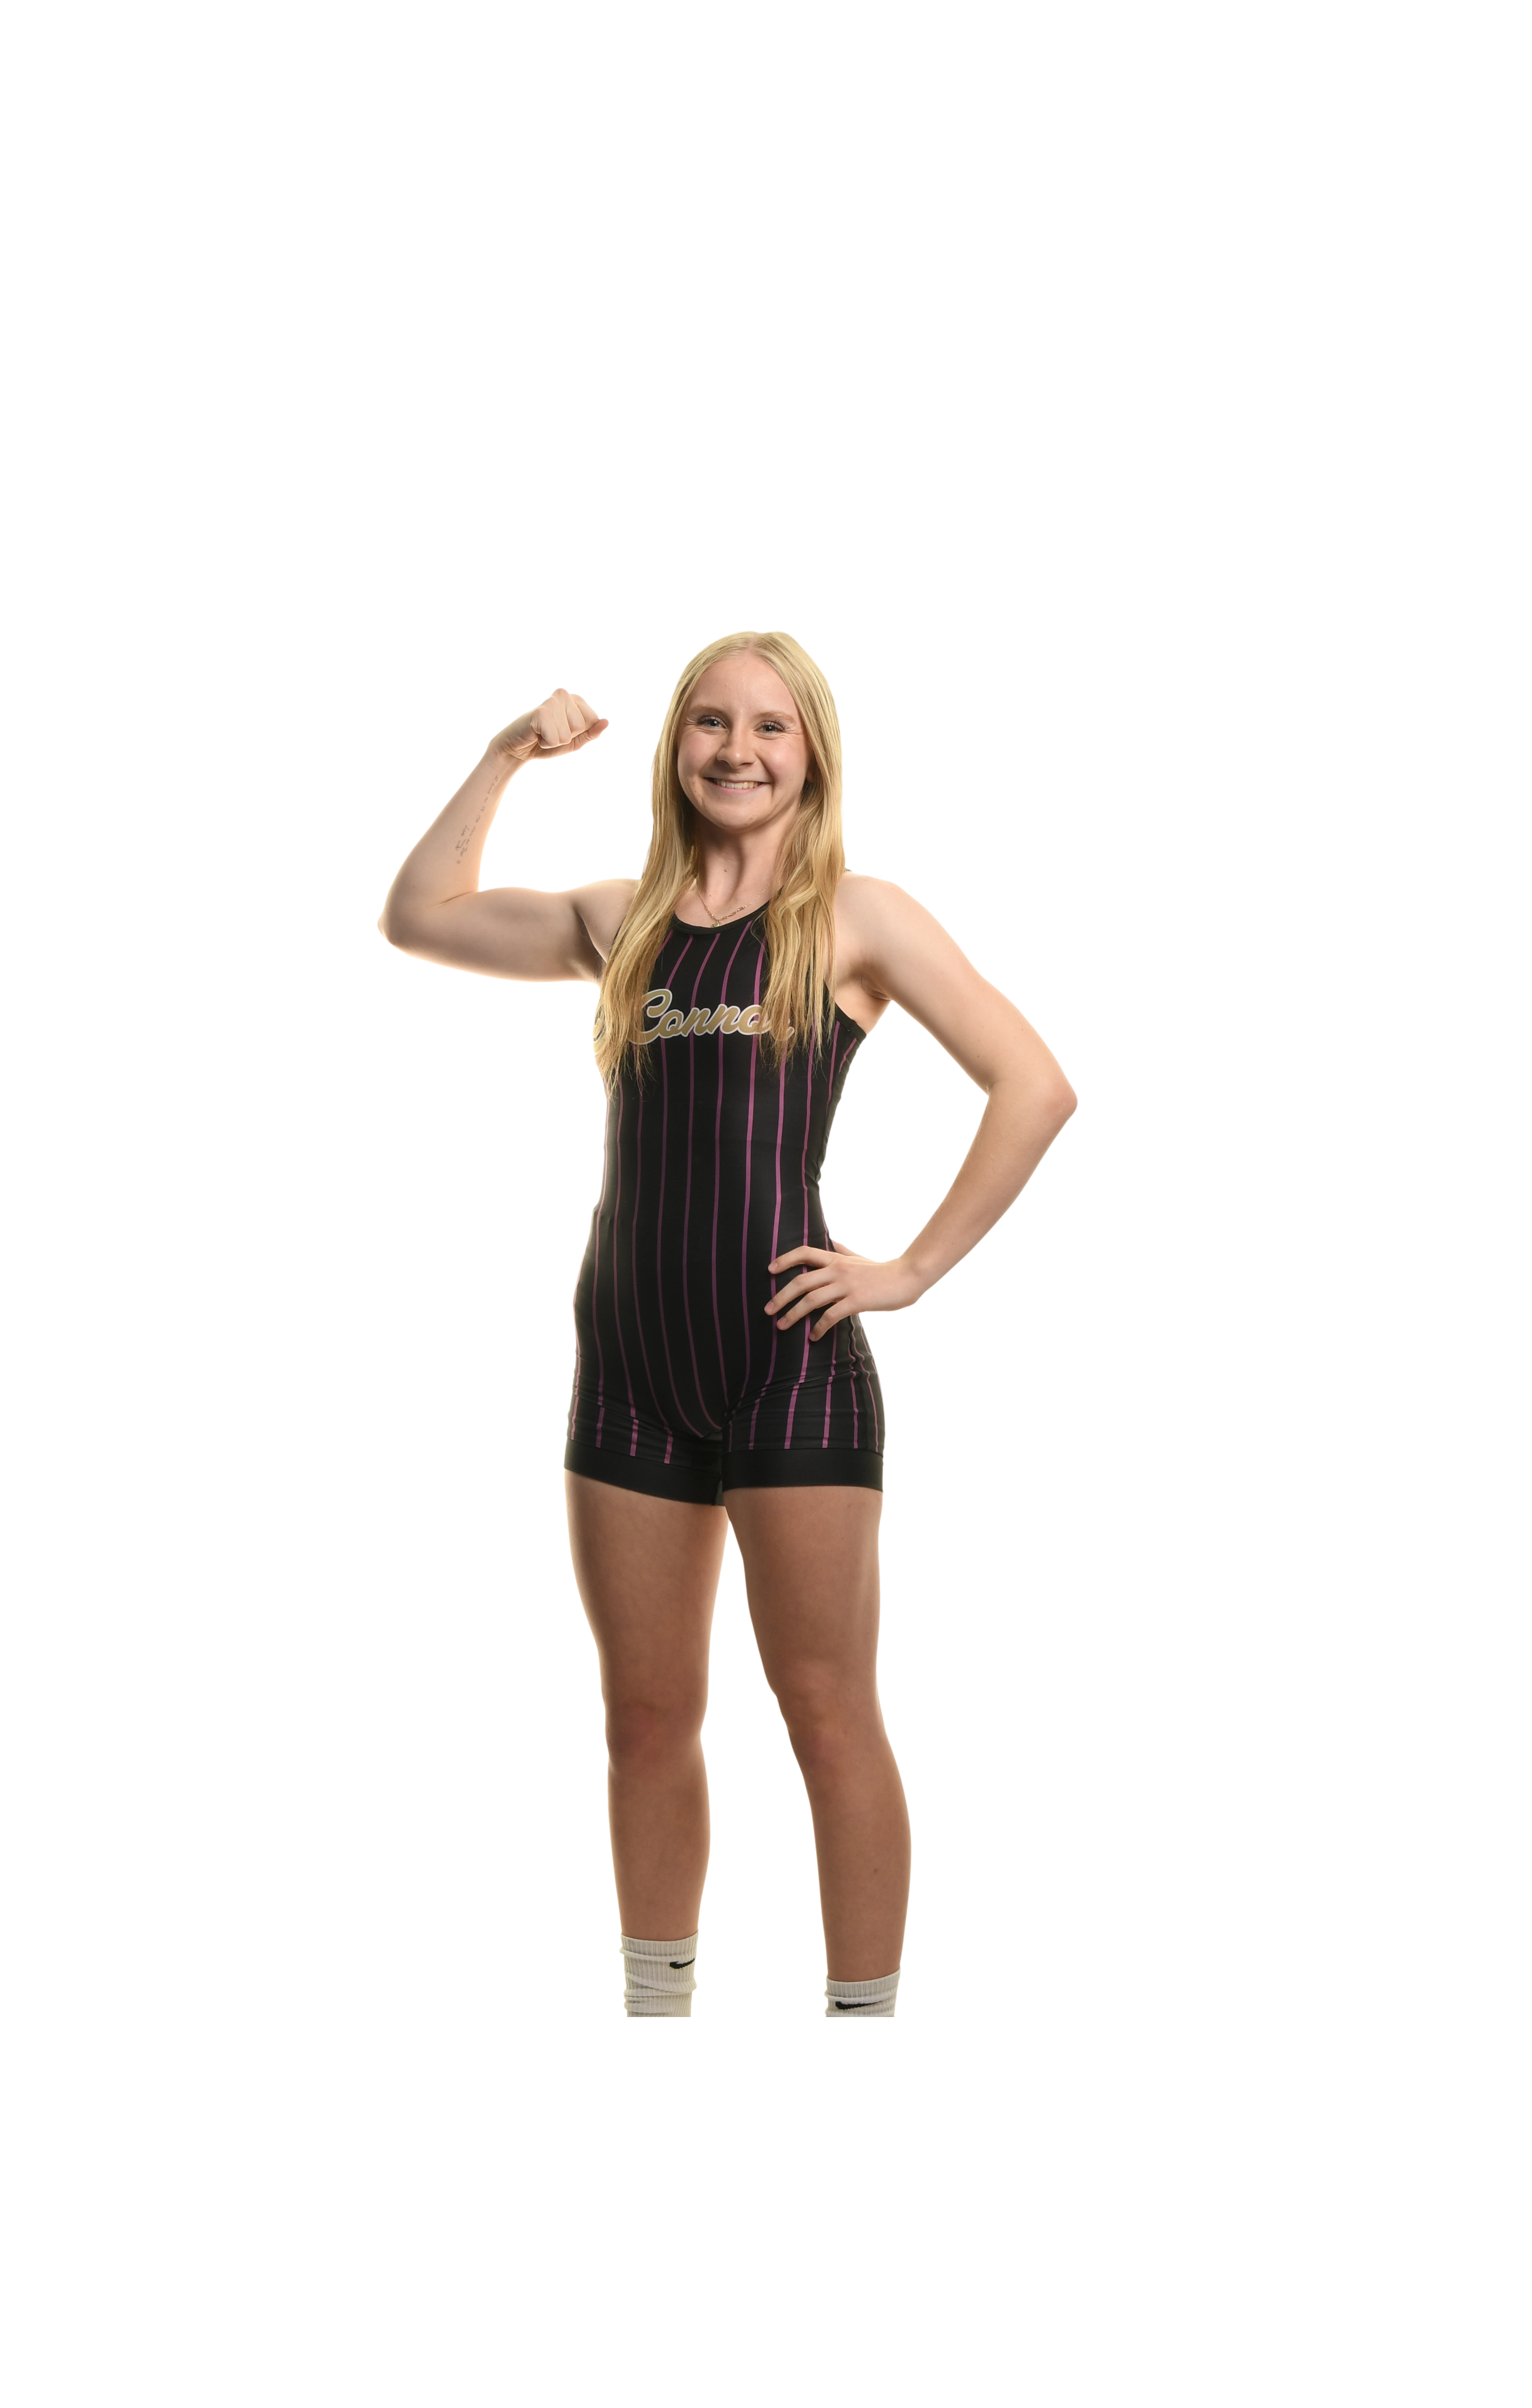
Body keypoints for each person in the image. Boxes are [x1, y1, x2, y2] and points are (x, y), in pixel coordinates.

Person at [378, 629, 1077, 2015]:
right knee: (645, 1720)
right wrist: (506, 753)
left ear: (813, 753)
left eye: (770, 726)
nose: (737, 750)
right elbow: (420, 915)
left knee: (828, 1714)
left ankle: (866, 2032)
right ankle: (659, 2022)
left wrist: (911, 1269)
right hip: (626, 1370)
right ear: (671, 746)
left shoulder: (858, 917)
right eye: (709, 722)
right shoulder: (619, 919)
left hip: (789, 1371)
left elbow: (1035, 1084)